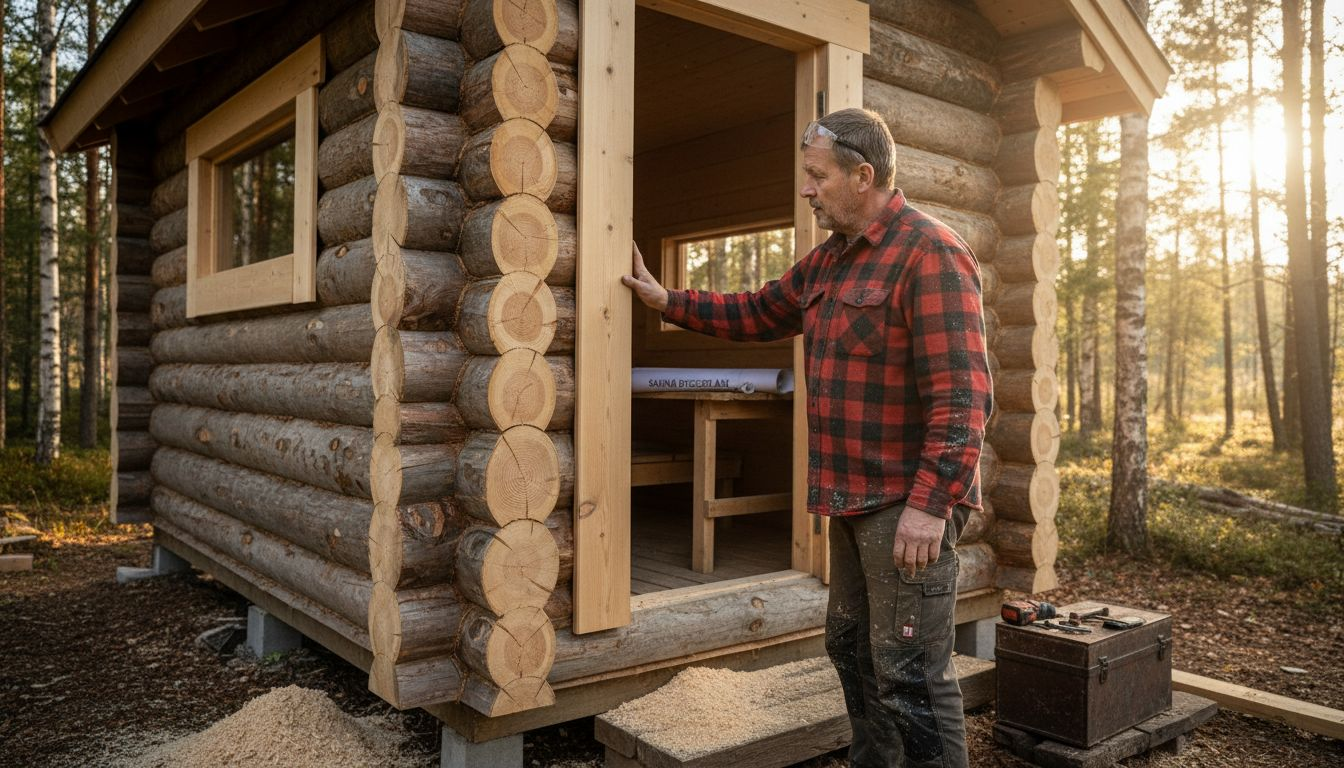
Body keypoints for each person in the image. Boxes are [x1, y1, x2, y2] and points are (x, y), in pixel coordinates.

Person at [621, 107, 991, 768]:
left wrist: (930, 508)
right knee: (852, 648)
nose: (806, 189)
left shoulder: (929, 252)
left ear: (863, 175)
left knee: (909, 674)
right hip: (851, 497)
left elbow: (963, 396)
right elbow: (757, 309)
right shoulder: (826, 263)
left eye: (817, 176)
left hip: (905, 506)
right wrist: (666, 301)